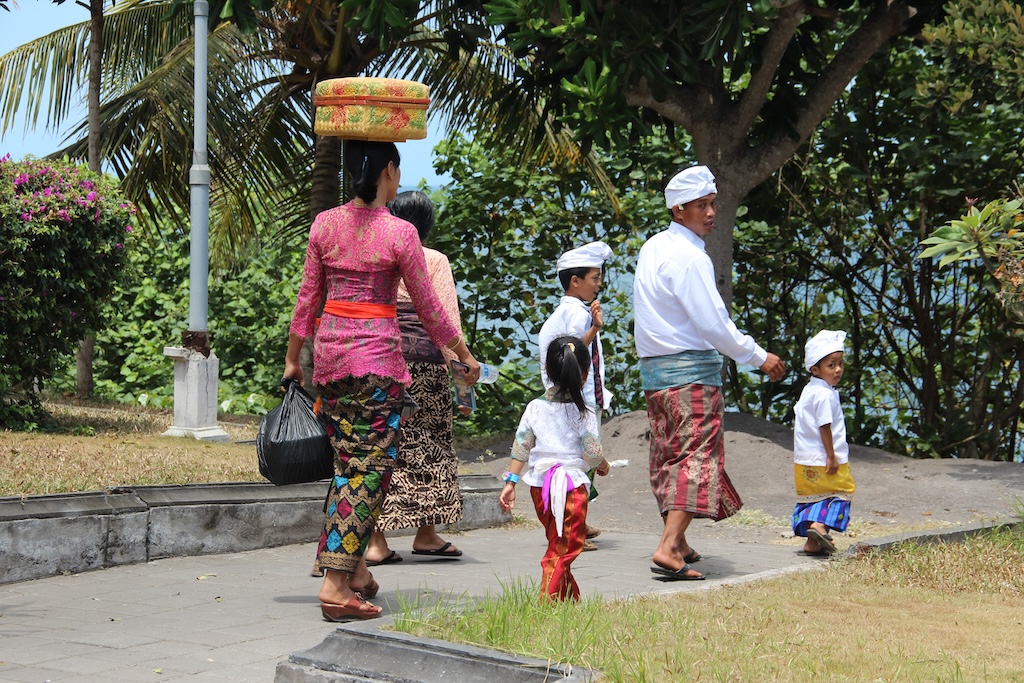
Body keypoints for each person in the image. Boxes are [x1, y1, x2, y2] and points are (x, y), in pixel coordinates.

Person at [283, 141, 481, 621]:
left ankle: (352, 573)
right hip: (375, 364)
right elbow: (431, 309)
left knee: (357, 465)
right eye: (398, 170)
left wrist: (293, 360)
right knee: (368, 469)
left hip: (330, 362)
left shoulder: (325, 224)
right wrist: (464, 355)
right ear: (388, 171)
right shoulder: (400, 232)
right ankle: (334, 585)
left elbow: (308, 298)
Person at [633, 164, 785, 581]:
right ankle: (667, 546)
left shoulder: (653, 248)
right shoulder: (689, 258)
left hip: (655, 375)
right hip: (690, 375)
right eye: (701, 205)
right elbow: (714, 326)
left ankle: (678, 541)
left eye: (713, 203)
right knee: (694, 458)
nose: (711, 212)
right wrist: (759, 357)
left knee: (668, 456)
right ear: (679, 210)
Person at [364, 190, 467, 566]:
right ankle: (426, 535)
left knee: (382, 444)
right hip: (424, 366)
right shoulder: (433, 259)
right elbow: (443, 315)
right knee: (431, 445)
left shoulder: (379, 255)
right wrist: (460, 365)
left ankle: (376, 542)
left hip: (379, 359)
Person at [498, 336, 610, 601]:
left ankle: (568, 599)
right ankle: (546, 601)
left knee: (557, 541)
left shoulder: (535, 407)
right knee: (566, 547)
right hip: (570, 487)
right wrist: (603, 466)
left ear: (547, 371)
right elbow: (592, 453)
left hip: (541, 488)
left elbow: (522, 445)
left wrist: (511, 482)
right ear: (584, 375)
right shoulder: (585, 412)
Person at [537, 241, 614, 550]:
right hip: (576, 400)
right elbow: (572, 353)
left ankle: (576, 521)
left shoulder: (569, 311)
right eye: (595, 278)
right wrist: (595, 328)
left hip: (573, 397)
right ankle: (572, 530)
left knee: (581, 464)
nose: (599, 284)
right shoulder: (577, 314)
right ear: (575, 281)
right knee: (580, 464)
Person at [793, 330, 855, 556]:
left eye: (840, 363)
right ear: (815, 369)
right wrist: (831, 455)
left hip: (804, 460)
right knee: (840, 492)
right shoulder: (825, 395)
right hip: (824, 456)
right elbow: (825, 426)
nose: (838, 369)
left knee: (812, 498)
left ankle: (812, 543)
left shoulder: (809, 390)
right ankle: (819, 526)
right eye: (831, 365)